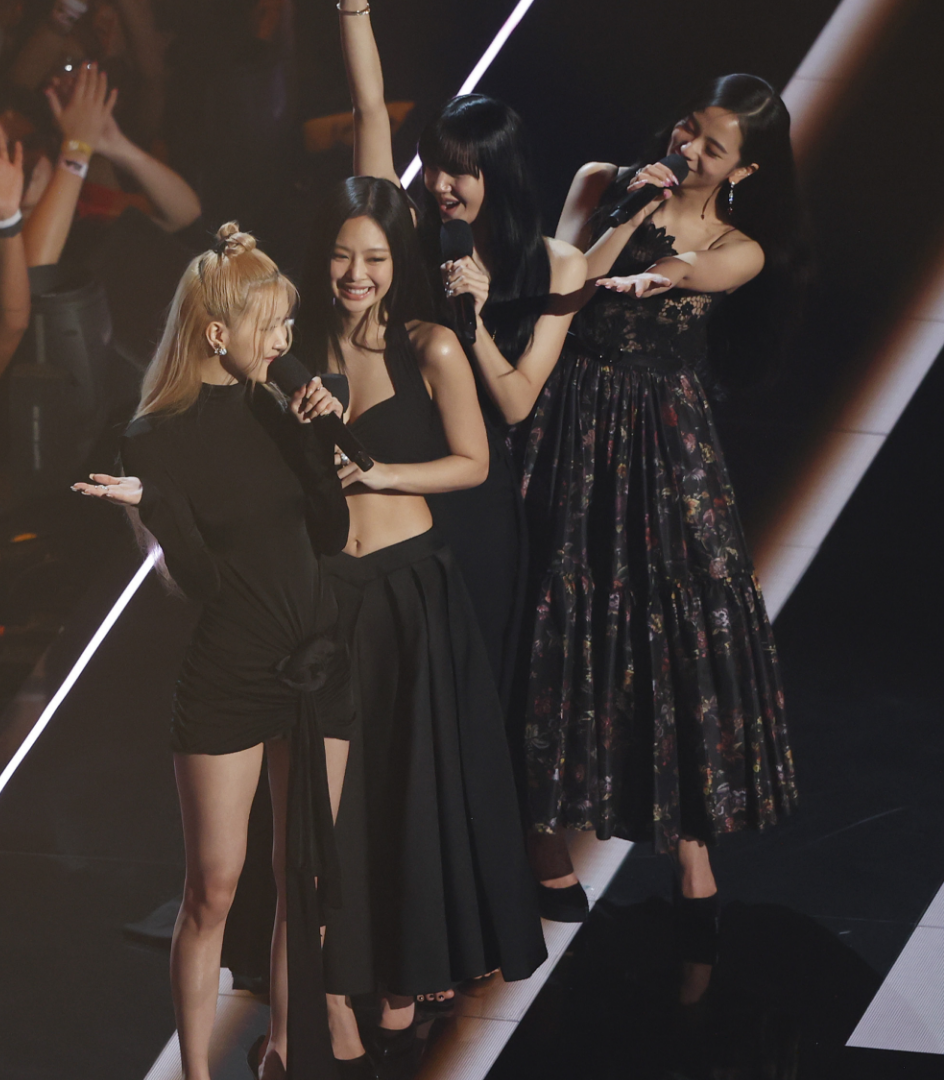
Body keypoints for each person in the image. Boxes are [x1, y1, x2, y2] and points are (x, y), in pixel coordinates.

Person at [500, 75, 807, 954]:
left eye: (712, 146)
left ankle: (693, 850)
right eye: (688, 128)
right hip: (565, 416)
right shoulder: (602, 181)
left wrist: (661, 272)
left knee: (676, 631)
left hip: (663, 437)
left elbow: (687, 273)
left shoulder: (741, 248)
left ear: (743, 169)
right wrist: (630, 214)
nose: (689, 149)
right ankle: (541, 836)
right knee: (550, 615)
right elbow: (564, 282)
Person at [75, 223, 352, 1080]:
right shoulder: (153, 436)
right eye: (271, 326)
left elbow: (330, 532)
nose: (285, 343)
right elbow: (198, 581)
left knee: (304, 876)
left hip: (319, 657)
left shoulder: (279, 404)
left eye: (288, 325)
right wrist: (155, 504)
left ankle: (282, 1053)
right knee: (214, 888)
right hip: (232, 671)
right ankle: (197, 1072)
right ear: (218, 332)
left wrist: (315, 440)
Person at [297, 170, 547, 1064]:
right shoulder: (294, 349)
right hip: (329, 596)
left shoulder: (429, 345)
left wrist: (381, 474)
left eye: (373, 257)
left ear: (397, 260)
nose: (356, 274)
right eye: (342, 255)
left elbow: (473, 462)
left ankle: (405, 981)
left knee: (410, 788)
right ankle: (342, 988)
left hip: (411, 593)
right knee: (339, 805)